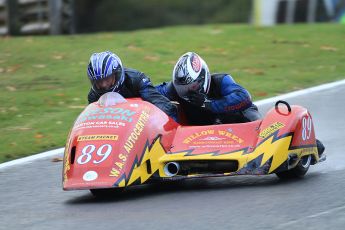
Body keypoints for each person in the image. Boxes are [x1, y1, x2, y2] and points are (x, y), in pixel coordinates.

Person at [155, 51, 261, 125]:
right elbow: (151, 92)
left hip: (236, 128)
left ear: (202, 78)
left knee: (250, 113)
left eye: (191, 86)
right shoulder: (174, 90)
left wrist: (208, 104)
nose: (186, 92)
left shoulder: (221, 81)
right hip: (202, 138)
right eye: (181, 88)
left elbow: (244, 97)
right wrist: (140, 83)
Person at [87, 51, 177, 121]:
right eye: (99, 81)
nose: (103, 85)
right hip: (121, 122)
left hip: (143, 111)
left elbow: (163, 105)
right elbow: (94, 120)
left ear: (117, 74)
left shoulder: (136, 79)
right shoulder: (93, 95)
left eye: (107, 79)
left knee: (169, 95)